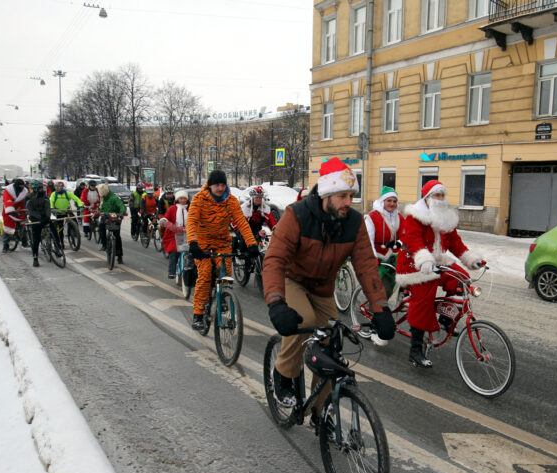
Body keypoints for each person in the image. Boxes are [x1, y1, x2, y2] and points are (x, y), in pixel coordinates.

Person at [262, 157, 395, 418]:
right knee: (305, 321)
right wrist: (276, 302)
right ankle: (283, 375)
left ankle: (319, 411)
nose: (349, 202)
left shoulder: (353, 223)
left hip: (323, 288)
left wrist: (380, 309)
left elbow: (367, 266)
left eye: (352, 196)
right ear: (327, 194)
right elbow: (275, 259)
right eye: (343, 196)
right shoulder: (296, 215)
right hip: (293, 280)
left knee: (331, 344)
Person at [396, 180, 484, 368]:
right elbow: (413, 240)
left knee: (462, 279)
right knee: (424, 299)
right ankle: (415, 351)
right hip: (413, 263)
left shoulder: (445, 218)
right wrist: (424, 260)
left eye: (443, 195)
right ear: (427, 198)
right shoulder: (415, 216)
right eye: (437, 195)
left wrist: (470, 259)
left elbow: (454, 243)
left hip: (436, 261)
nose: (441, 199)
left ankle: (446, 317)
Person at [186, 170, 258, 330]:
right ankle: (198, 314)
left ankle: (224, 297)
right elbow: (191, 222)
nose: (220, 188)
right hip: (202, 243)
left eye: (223, 184)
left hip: (222, 242)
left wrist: (252, 244)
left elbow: (242, 223)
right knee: (204, 275)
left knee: (226, 274)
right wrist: (193, 243)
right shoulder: (199, 199)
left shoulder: (231, 201)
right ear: (210, 185)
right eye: (217, 185)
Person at [364, 185, 404, 300]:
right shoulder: (372, 217)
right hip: (378, 257)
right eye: (389, 201)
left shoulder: (399, 217)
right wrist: (373, 257)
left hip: (393, 257)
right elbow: (368, 239)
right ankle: (378, 312)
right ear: (382, 201)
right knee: (382, 290)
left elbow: (407, 236)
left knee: (390, 288)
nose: (392, 204)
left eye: (394, 201)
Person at [160, 190, 190, 279]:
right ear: (177, 199)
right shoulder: (172, 209)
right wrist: (166, 223)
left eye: (184, 198)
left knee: (193, 253)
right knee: (174, 252)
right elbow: (166, 218)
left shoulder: (191, 209)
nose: (183, 200)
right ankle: (171, 271)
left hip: (189, 234)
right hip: (174, 235)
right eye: (181, 198)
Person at [25, 179, 55, 267]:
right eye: (40, 188)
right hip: (36, 220)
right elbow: (30, 210)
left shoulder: (45, 196)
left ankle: (58, 249)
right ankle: (35, 258)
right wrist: (39, 217)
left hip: (44, 218)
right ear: (35, 189)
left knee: (54, 231)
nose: (42, 190)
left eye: (42, 188)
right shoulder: (29, 198)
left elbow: (47, 207)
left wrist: (47, 217)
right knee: (36, 239)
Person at [97, 183, 127, 264]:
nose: (102, 195)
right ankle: (104, 244)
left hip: (115, 217)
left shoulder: (114, 198)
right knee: (101, 227)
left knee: (117, 236)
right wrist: (99, 212)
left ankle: (119, 255)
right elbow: (101, 208)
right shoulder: (103, 199)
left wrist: (122, 213)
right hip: (106, 217)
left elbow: (122, 206)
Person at [49, 181, 84, 249]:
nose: (57, 189)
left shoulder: (67, 193)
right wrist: (52, 208)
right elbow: (51, 201)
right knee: (60, 228)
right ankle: (61, 242)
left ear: (62, 187)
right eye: (56, 187)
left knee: (74, 220)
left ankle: (75, 231)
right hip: (58, 212)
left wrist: (80, 205)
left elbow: (76, 199)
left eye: (59, 187)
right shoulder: (54, 194)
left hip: (66, 211)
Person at [2, 178, 28, 253]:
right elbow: (7, 201)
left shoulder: (25, 191)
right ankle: (5, 245)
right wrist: (11, 210)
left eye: (23, 186)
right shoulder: (8, 191)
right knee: (8, 226)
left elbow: (26, 200)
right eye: (20, 186)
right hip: (9, 210)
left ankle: (24, 241)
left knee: (24, 225)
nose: (22, 188)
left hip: (20, 209)